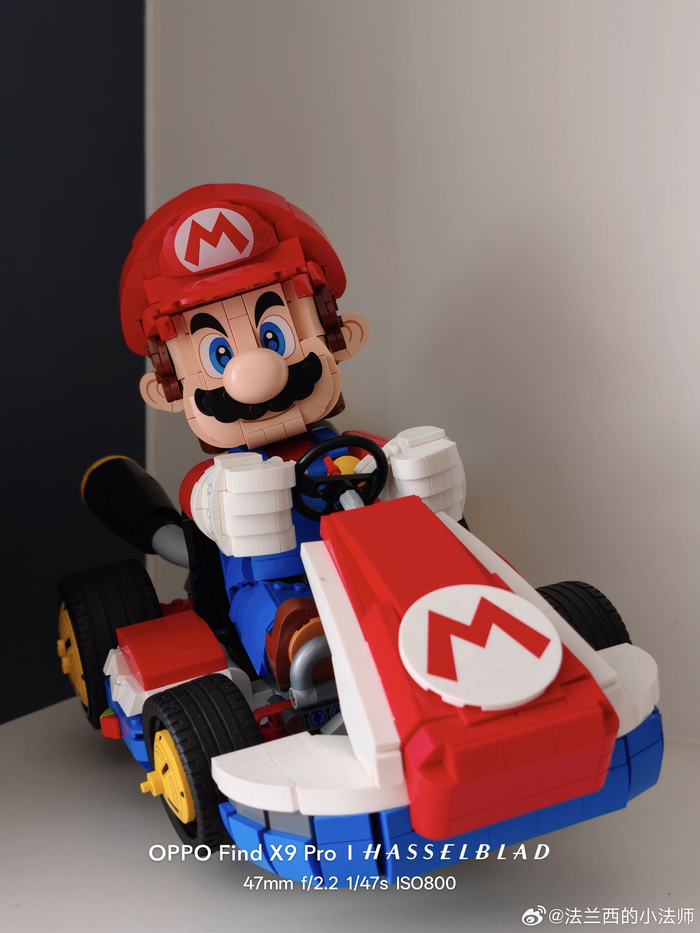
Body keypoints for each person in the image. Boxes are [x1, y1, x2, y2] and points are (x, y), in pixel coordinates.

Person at [120, 184, 466, 679]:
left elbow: (395, 470)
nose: (257, 372)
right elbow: (206, 501)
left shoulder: (354, 446)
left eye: (274, 336)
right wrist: (236, 497)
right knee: (265, 604)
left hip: (372, 569)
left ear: (339, 335)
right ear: (167, 388)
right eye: (220, 355)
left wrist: (417, 468)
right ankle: (298, 643)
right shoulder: (212, 479)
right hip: (277, 583)